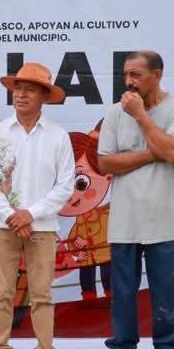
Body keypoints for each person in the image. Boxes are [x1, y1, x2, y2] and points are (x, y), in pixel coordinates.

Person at [97, 50, 174, 349]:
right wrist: (153, 152)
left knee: (170, 293)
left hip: (168, 218)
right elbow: (105, 164)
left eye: (136, 75)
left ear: (157, 75)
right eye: (126, 74)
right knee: (123, 293)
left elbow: (173, 153)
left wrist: (140, 116)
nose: (129, 81)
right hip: (125, 219)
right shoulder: (114, 113)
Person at [0, 62, 76, 349]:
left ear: (44, 96)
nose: (20, 94)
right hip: (1, 225)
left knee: (42, 293)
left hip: (41, 227)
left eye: (29, 89)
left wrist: (30, 213)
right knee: (2, 292)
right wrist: (11, 215)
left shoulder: (58, 136)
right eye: (17, 88)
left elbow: (65, 185)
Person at [56, 121, 113, 301]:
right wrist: (76, 249)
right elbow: (73, 238)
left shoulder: (108, 213)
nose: (71, 196)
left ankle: (110, 295)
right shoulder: (79, 222)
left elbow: (110, 232)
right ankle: (88, 296)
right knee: (86, 275)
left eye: (81, 184)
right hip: (87, 257)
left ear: (107, 176)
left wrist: (90, 241)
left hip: (105, 253)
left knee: (108, 274)